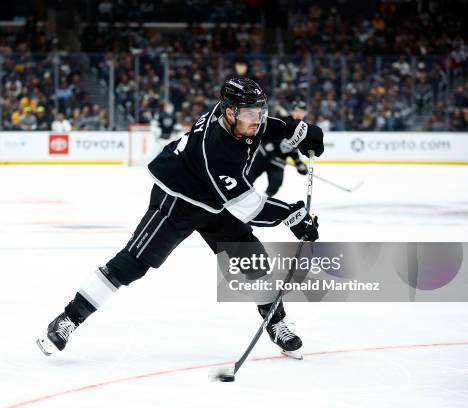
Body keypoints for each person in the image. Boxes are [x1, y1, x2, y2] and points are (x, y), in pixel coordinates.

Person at [37, 77, 324, 360]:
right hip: (178, 198)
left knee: (252, 259)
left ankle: (276, 322)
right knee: (131, 265)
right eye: (251, 113)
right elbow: (249, 207)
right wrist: (292, 216)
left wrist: (297, 129)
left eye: (259, 111)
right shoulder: (214, 148)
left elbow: (268, 126)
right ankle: (68, 319)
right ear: (229, 112)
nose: (257, 119)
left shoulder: (241, 118)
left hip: (213, 200)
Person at [247, 100, 310, 197]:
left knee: (275, 185)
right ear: (291, 111)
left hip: (278, 162)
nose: (299, 113)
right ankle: (238, 199)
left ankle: (263, 203)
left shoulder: (302, 130)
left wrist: (298, 162)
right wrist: (266, 144)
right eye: (297, 110)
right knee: (247, 179)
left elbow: (293, 149)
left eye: (302, 111)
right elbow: (263, 132)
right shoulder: (281, 121)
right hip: (263, 156)